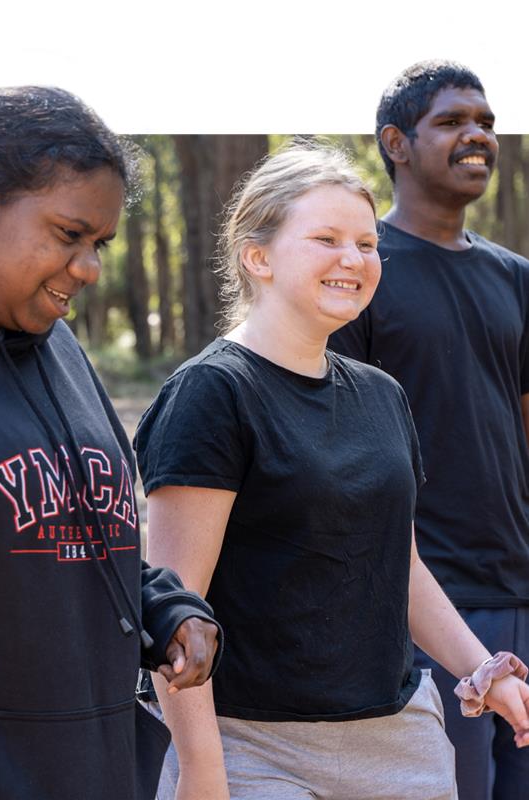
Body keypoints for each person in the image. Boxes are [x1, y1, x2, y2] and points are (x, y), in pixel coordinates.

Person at [132, 143, 529, 800]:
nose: (353, 259)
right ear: (256, 256)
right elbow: (175, 609)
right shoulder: (210, 393)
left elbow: (399, 566)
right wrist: (202, 773)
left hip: (401, 736)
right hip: (254, 746)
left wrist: (482, 668)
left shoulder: (381, 393)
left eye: (367, 243)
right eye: (325, 239)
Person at [0, 86, 222, 800]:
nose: (89, 268)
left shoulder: (51, 340)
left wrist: (163, 608)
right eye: (68, 234)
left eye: (100, 245)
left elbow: (59, 528)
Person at [328, 60, 529, 800]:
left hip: (518, 591)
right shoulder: (359, 275)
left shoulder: (515, 278)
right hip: (423, 606)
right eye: (451, 122)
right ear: (396, 143)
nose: (476, 135)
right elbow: (334, 443)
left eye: (485, 122)